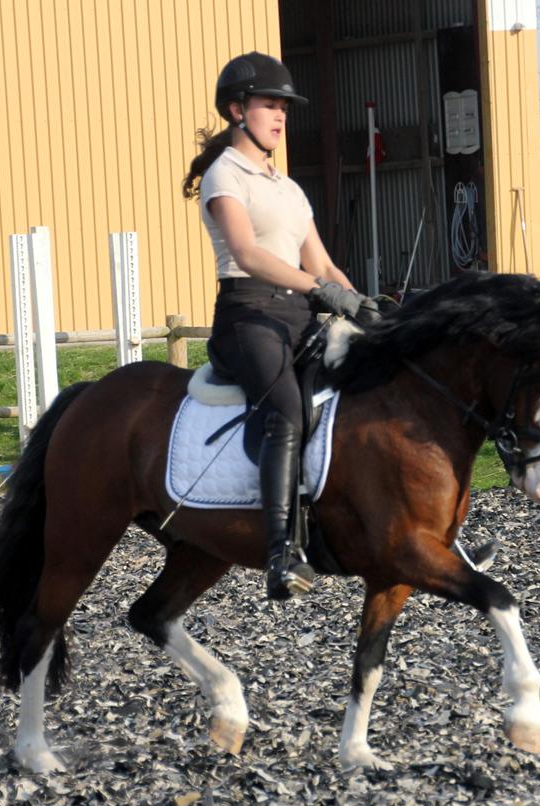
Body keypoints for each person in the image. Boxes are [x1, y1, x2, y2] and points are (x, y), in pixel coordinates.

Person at [182, 51, 378, 601]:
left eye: (284, 108)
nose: (280, 115)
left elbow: (323, 264)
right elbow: (247, 254)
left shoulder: (288, 188)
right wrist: (322, 290)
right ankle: (280, 553)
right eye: (270, 105)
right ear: (236, 110)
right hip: (248, 317)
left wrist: (363, 304)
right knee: (286, 410)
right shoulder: (224, 175)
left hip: (299, 315)